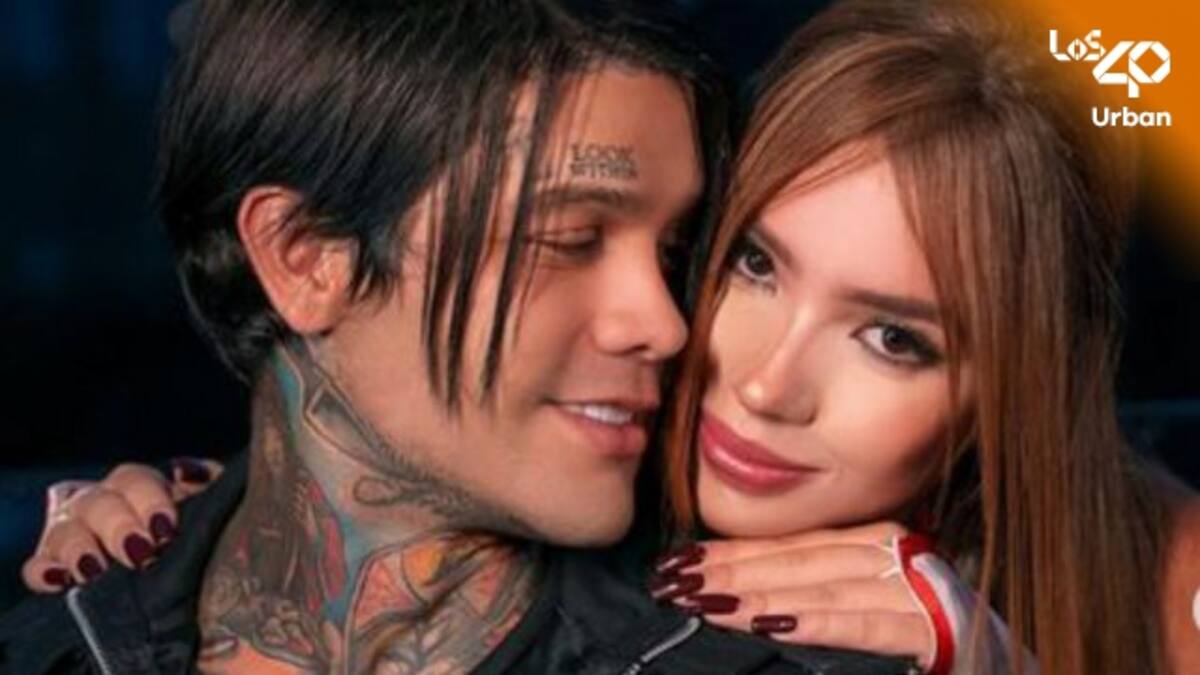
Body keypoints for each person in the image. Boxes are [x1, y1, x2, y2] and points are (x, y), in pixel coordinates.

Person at [12, 0, 1200, 674]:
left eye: (897, 340)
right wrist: (200, 528)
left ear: (1007, 400)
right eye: (747, 263)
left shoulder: (1153, 567)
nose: (760, 380)